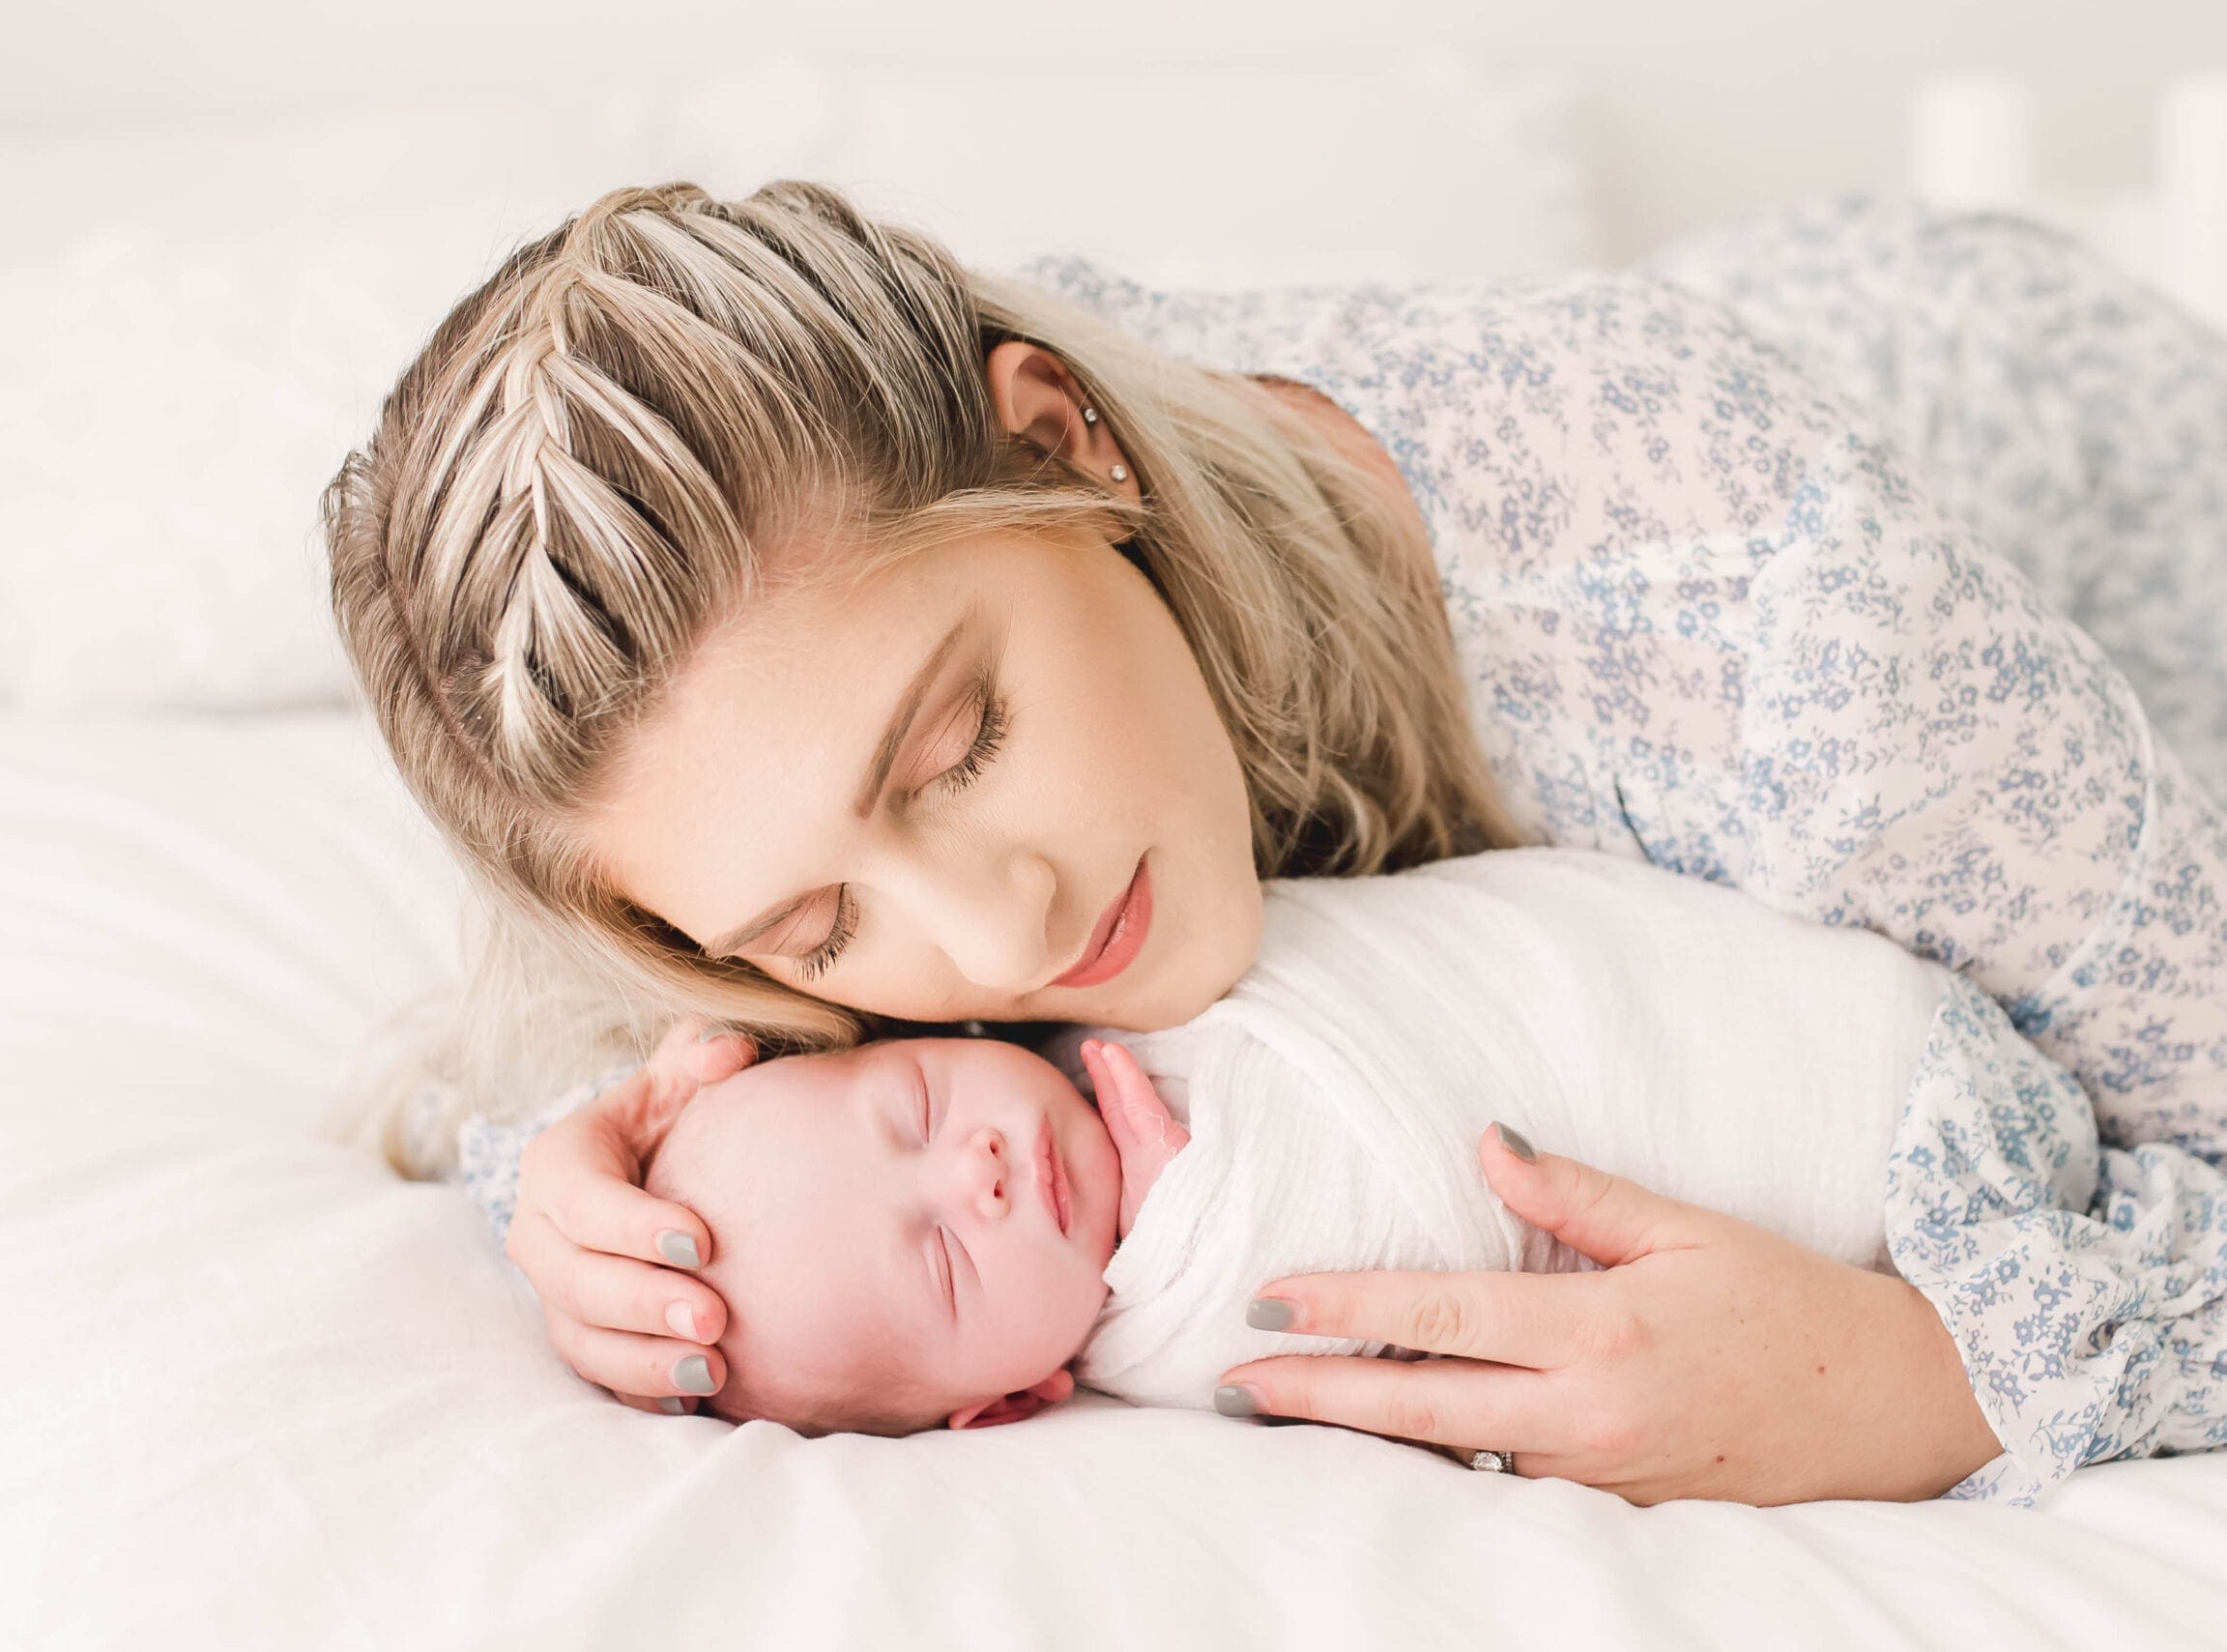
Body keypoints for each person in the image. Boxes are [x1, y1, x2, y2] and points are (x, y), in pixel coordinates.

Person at [319, 181, 2227, 1506]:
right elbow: (541, 1100)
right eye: (816, 930)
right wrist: (607, 1223)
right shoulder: (721, 766)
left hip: (2059, 425)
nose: (991, 942)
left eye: (960, 743)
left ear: (1066, 444)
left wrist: (1909, 1378)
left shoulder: (1799, 653)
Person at [455, 845, 2115, 1504]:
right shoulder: (1169, 1309)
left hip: (1859, 987)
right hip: (1891, 1162)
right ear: (1000, 1404)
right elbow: (1359, 1321)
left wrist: (592, 1126)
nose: (971, 1168)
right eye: (948, 1265)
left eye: (902, 1101)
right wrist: (1204, 1217)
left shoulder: (1024, 963)